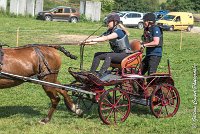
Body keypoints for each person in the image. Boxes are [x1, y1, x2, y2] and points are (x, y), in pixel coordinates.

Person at [83, 13, 131, 77]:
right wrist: (84, 42)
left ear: (115, 22)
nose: (107, 23)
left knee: (109, 55)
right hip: (117, 54)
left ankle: (100, 75)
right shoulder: (109, 31)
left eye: (109, 21)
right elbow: (97, 40)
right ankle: (91, 73)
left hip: (125, 55)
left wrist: (90, 40)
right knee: (97, 55)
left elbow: (105, 38)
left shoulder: (119, 31)